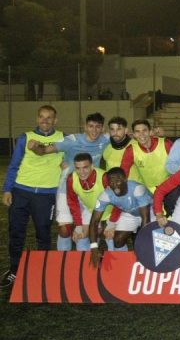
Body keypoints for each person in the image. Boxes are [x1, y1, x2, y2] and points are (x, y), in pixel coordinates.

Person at [27, 112, 109, 252]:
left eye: (98, 127)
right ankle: (62, 262)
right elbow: (45, 150)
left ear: (102, 128)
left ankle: (84, 265)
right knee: (65, 230)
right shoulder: (72, 140)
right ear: (85, 127)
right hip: (67, 187)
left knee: (85, 232)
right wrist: (34, 147)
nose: (94, 130)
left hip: (90, 191)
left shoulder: (105, 139)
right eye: (91, 126)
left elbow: (127, 135)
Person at [1, 105, 63, 289]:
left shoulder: (62, 138)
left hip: (46, 195)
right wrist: (7, 189)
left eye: (49, 117)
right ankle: (14, 269)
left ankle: (42, 269)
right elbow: (14, 165)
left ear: (55, 120)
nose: (45, 120)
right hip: (21, 192)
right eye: (42, 117)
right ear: (37, 119)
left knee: (43, 234)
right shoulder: (25, 137)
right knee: (16, 232)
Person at [88, 167, 153, 267]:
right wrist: (93, 247)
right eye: (111, 181)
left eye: (117, 180)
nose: (114, 184)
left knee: (151, 242)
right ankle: (122, 264)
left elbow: (145, 218)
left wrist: (142, 246)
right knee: (117, 240)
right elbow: (94, 222)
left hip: (151, 212)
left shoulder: (137, 189)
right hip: (130, 213)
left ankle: (151, 262)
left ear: (125, 179)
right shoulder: (106, 195)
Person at [65, 153, 116, 252]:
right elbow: (72, 202)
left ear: (92, 166)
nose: (81, 172)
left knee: (112, 239)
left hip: (110, 212)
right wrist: (78, 225)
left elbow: (118, 201)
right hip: (91, 210)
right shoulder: (72, 179)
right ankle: (85, 264)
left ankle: (117, 265)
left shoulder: (104, 177)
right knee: (80, 237)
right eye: (78, 168)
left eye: (85, 168)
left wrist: (112, 223)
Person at [119, 119, 174, 194]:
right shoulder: (131, 150)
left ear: (150, 132)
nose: (141, 134)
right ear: (134, 135)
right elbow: (123, 172)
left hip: (170, 188)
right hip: (148, 192)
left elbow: (179, 165)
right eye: (137, 131)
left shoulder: (165, 144)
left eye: (144, 130)